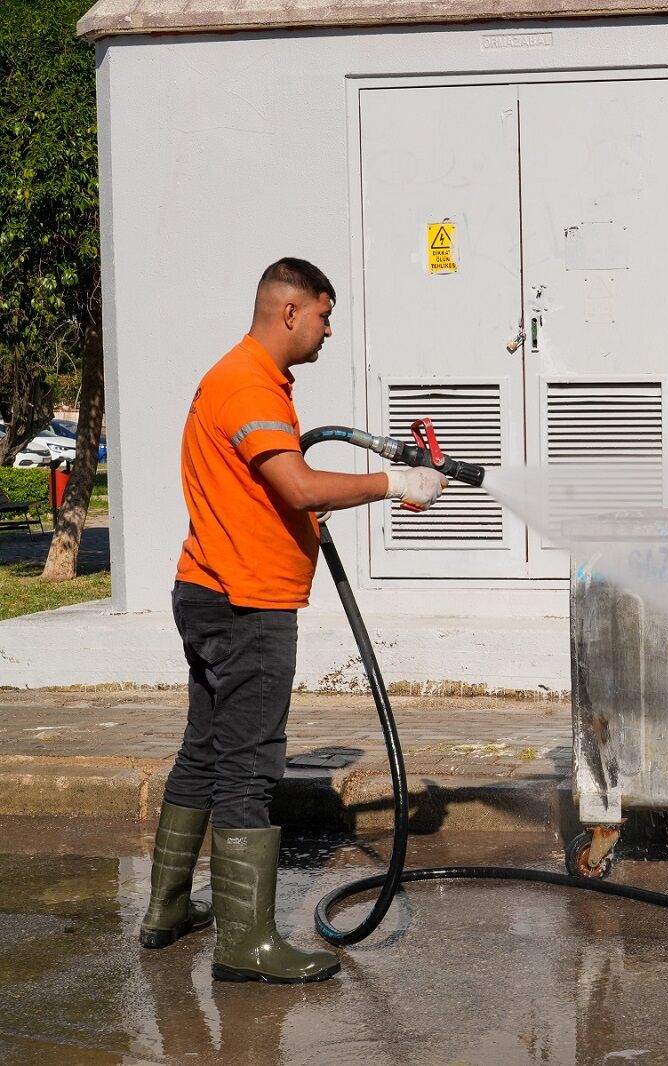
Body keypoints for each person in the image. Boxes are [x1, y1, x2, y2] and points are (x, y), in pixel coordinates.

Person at [138, 258, 447, 983]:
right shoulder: (247, 381)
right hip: (246, 602)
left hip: (210, 587)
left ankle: (167, 910)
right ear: (288, 311)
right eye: (323, 315)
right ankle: (245, 946)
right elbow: (298, 483)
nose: (328, 330)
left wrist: (354, 496)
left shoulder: (240, 377)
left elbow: (278, 493)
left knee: (205, 753)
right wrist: (393, 481)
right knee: (247, 768)